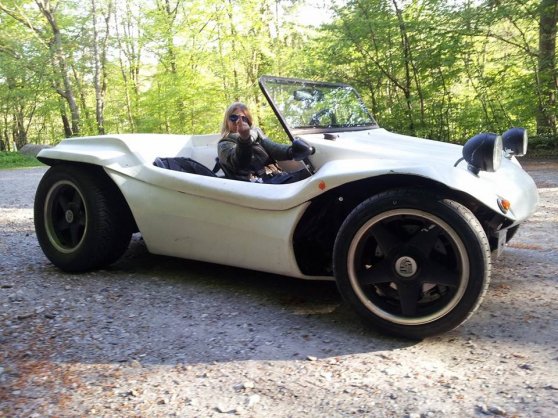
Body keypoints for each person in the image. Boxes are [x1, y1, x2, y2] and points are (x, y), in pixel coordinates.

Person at [217, 102, 315, 184]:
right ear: (227, 121)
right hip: (256, 187)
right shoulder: (224, 144)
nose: (238, 121)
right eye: (233, 117)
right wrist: (244, 139)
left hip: (276, 178)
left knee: (311, 175)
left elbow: (274, 148)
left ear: (249, 122)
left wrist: (292, 151)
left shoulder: (256, 136)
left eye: (244, 118)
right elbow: (239, 162)